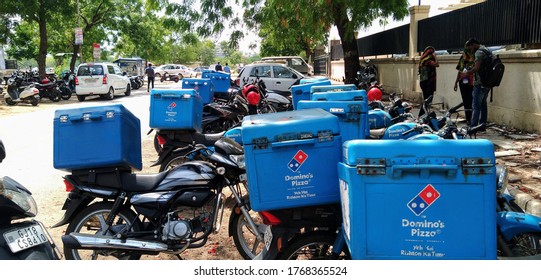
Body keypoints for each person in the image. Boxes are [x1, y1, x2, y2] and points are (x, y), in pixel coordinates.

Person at [464, 38, 491, 131]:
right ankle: (482, 125)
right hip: (488, 82)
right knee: (483, 105)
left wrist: (468, 73)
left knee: (475, 105)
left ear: (474, 44)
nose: (471, 50)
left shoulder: (479, 52)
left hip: (480, 82)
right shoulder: (487, 50)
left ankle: (473, 126)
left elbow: (477, 68)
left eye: (470, 47)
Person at [453, 42, 475, 125]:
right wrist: (456, 83)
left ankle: (472, 118)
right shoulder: (462, 58)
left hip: (471, 82)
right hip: (462, 82)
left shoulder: (474, 58)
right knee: (465, 101)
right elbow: (459, 70)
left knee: (471, 101)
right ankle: (468, 118)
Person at [418, 46, 439, 117]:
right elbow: (437, 64)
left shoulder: (422, 59)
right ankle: (422, 115)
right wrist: (435, 57)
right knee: (428, 100)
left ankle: (423, 114)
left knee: (426, 99)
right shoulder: (428, 60)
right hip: (429, 83)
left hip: (423, 82)